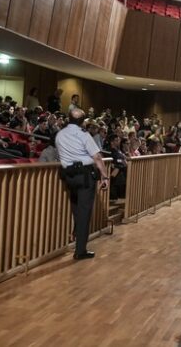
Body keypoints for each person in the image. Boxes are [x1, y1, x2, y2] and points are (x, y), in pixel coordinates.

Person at [55, 108, 110, 260]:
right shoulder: (83, 135)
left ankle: (75, 233)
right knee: (84, 213)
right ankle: (80, 250)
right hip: (84, 176)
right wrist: (104, 177)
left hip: (68, 176)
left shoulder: (60, 134)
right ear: (82, 121)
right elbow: (97, 157)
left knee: (76, 209)